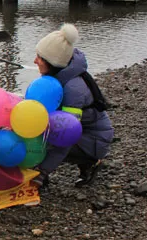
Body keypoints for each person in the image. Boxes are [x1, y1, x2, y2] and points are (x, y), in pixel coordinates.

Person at [30, 24, 114, 188]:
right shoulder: (60, 76)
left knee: (43, 139)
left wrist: (41, 173)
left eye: (39, 57)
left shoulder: (74, 90)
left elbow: (66, 135)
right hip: (87, 132)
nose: (35, 61)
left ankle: (90, 161)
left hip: (94, 140)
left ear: (53, 63)